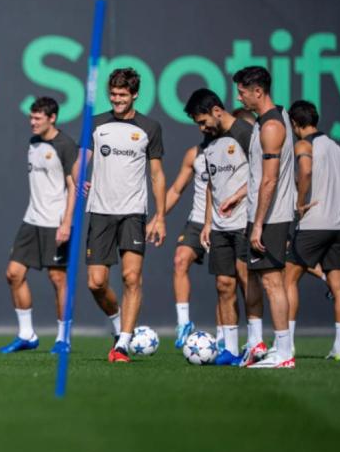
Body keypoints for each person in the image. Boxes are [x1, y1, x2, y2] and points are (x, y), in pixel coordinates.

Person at [85, 68, 166, 363]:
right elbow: (83, 159)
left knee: (131, 277)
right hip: (100, 212)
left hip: (133, 212)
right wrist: (80, 176)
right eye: (113, 94)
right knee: (96, 282)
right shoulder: (95, 125)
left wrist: (160, 215)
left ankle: (122, 345)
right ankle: (118, 323)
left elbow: (156, 174)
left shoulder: (150, 127)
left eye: (122, 95)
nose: (117, 99)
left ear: (134, 95)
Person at [284, 100, 340, 361]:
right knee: (339, 287)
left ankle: (286, 344)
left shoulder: (303, 144)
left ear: (295, 124)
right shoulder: (334, 147)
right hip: (338, 227)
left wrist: (300, 203)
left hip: (313, 224)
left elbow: (306, 170)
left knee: (287, 281)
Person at [1, 97, 77, 356]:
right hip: (31, 220)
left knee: (58, 278)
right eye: (31, 118)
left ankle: (63, 338)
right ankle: (26, 334)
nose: (32, 123)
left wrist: (66, 223)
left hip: (55, 222)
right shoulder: (33, 143)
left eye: (37, 118)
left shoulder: (65, 145)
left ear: (52, 118)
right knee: (13, 274)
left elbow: (74, 187)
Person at [234, 65, 296, 369]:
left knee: (273, 282)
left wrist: (258, 224)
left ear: (258, 91)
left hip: (271, 218)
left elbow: (269, 180)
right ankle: (257, 343)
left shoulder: (272, 126)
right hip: (260, 215)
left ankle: (284, 352)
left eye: (242, 92)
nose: (239, 97)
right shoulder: (268, 120)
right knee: (256, 279)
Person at [185, 88, 253, 366]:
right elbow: (212, 185)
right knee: (224, 284)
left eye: (203, 121)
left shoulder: (245, 133)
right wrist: (207, 222)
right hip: (220, 226)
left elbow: (268, 173)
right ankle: (231, 349)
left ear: (216, 110)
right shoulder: (209, 145)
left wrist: (238, 196)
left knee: (248, 281)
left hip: (246, 221)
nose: (201, 128)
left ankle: (256, 341)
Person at [162, 137, 210, 348]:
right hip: (198, 221)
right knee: (180, 260)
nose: (203, 128)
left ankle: (246, 336)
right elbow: (176, 190)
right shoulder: (195, 153)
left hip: (228, 222)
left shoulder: (237, 149)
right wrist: (158, 218)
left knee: (229, 282)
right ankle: (183, 325)